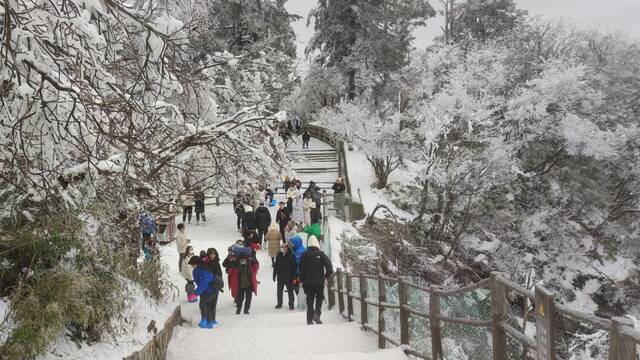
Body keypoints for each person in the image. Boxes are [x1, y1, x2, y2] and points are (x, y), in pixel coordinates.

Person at [299, 236, 333, 325]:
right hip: (319, 282)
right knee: (319, 298)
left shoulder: (304, 254)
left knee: (309, 300)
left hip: (307, 282)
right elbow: (329, 267)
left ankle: (309, 320)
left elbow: (301, 269)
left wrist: (301, 281)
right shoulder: (321, 254)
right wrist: (325, 276)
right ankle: (317, 314)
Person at [190, 256, 221, 328]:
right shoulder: (195, 271)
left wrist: (196, 293)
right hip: (205, 290)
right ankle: (209, 321)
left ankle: (206, 321)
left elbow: (203, 284)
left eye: (192, 264)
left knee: (204, 303)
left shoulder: (205, 271)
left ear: (197, 264)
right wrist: (199, 292)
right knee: (206, 305)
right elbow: (199, 283)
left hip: (213, 290)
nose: (191, 266)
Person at [227, 249, 259, 314]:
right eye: (241, 260)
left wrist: (255, 260)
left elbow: (256, 268)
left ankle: (246, 310)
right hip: (239, 286)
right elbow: (229, 272)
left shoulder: (249, 265)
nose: (243, 261)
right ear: (239, 260)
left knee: (248, 299)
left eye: (244, 260)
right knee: (240, 300)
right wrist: (231, 265)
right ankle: (238, 310)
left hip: (249, 285)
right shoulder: (235, 266)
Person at [273, 243, 296, 310]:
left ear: (287, 248)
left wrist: (294, 277)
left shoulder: (291, 255)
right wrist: (274, 275)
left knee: (290, 291)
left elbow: (294, 267)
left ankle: (291, 304)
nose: (283, 249)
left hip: (289, 277)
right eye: (282, 248)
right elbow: (276, 265)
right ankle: (279, 304)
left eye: (284, 247)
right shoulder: (279, 255)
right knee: (279, 291)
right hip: (280, 276)